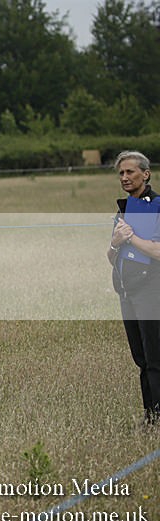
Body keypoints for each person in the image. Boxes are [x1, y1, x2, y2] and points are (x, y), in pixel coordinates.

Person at [107, 150, 160, 427]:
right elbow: (111, 256)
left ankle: (157, 417)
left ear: (146, 174)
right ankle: (150, 416)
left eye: (130, 172)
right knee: (141, 358)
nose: (125, 177)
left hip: (152, 292)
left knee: (155, 358)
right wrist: (116, 241)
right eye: (121, 173)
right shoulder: (124, 209)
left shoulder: (156, 206)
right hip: (127, 293)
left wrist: (132, 238)